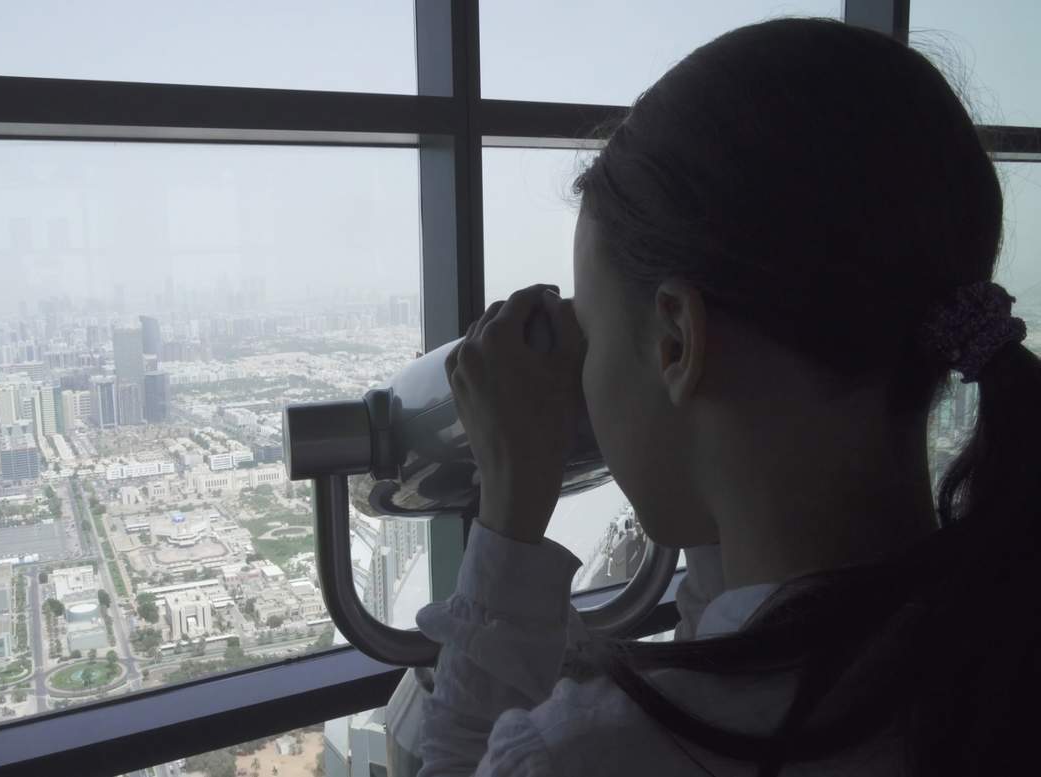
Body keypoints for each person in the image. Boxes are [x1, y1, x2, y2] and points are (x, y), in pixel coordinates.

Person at [416, 17, 1039, 777]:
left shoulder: (591, 756)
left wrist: (508, 519)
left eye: (596, 330)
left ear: (676, 341)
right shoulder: (996, 640)